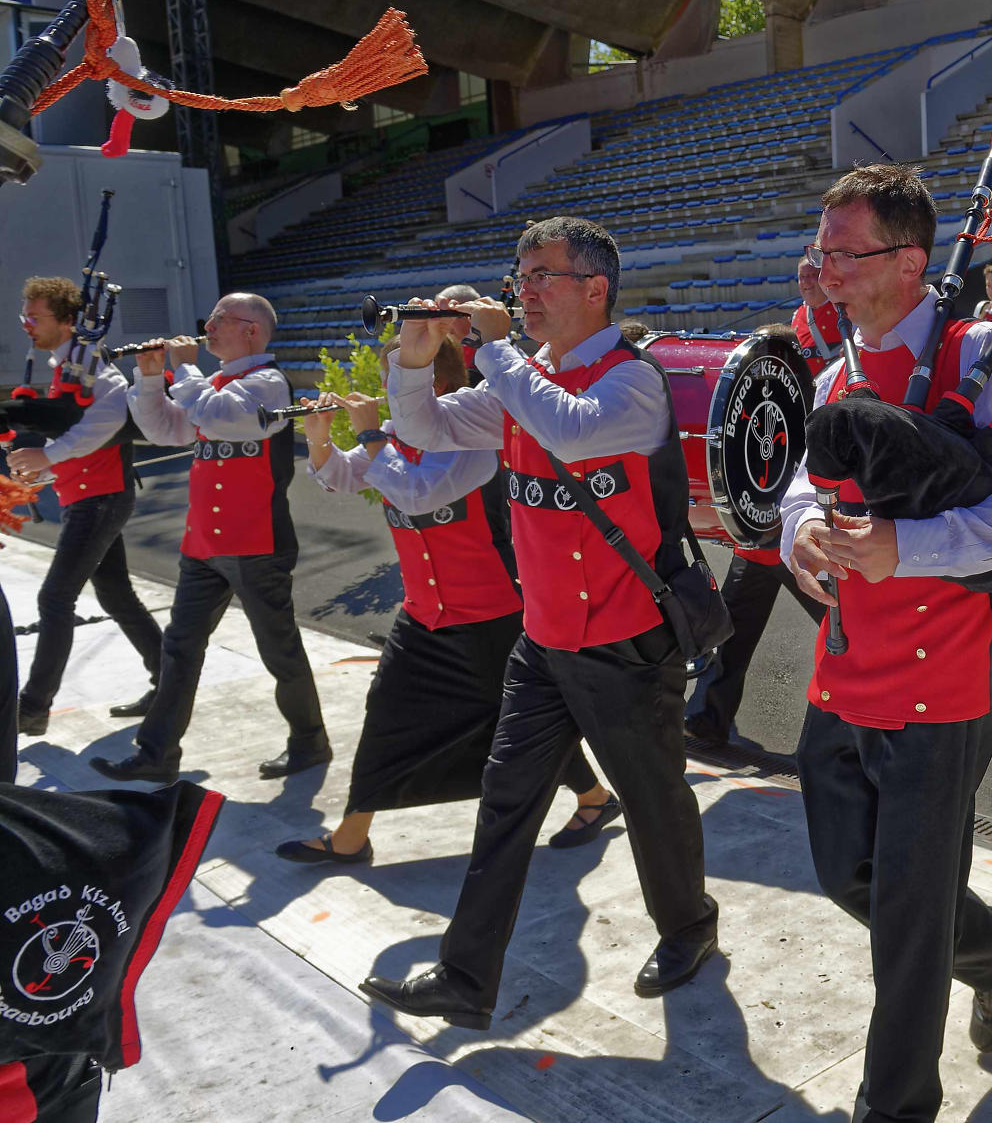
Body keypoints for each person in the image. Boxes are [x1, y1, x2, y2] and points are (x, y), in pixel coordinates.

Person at [360, 216, 716, 1028]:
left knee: (654, 795)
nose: (523, 291)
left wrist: (493, 349)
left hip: (625, 639)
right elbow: (426, 431)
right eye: (519, 275)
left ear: (596, 289)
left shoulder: (631, 381)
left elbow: (567, 427)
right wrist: (413, 361)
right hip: (545, 637)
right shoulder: (524, 376)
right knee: (506, 800)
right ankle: (464, 977)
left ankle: (689, 924)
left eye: (542, 276)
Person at [782, 164, 992, 1123]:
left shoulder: (980, 350)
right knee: (847, 878)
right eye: (822, 248)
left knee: (905, 932)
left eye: (843, 250)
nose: (822, 266)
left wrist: (915, 547)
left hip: (938, 687)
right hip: (840, 678)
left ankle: (894, 1109)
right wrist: (801, 534)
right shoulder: (834, 371)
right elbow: (800, 483)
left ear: (911, 261)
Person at [274, 346, 617, 865]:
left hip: (489, 613)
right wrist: (321, 436)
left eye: (397, 385)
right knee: (386, 712)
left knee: (520, 720)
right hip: (423, 613)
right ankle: (351, 835)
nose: (389, 396)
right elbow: (344, 476)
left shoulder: (467, 438)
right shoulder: (390, 438)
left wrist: (369, 436)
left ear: (429, 389)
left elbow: (418, 493)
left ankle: (593, 796)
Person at [90, 295, 330, 783]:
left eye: (221, 320)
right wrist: (152, 376)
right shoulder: (213, 384)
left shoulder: (267, 382)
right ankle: (156, 754)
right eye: (211, 319)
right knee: (180, 646)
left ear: (253, 332)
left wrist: (185, 370)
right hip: (204, 542)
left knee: (277, 648)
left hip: (256, 541)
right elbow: (163, 429)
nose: (209, 327)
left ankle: (310, 741)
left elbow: (223, 416)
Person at [11, 277, 163, 737]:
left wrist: (48, 456)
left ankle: (33, 708)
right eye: (26, 317)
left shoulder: (92, 360)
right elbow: (81, 435)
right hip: (87, 494)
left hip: (101, 498)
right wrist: (47, 468)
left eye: (35, 318)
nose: (27, 326)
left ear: (66, 320)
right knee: (115, 594)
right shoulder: (69, 364)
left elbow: (109, 417)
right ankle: (171, 680)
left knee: (54, 598)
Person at [682, 320, 828, 748]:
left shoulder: (825, 374)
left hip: (795, 535)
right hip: (762, 540)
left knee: (848, 630)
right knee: (732, 632)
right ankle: (707, 717)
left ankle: (854, 726)